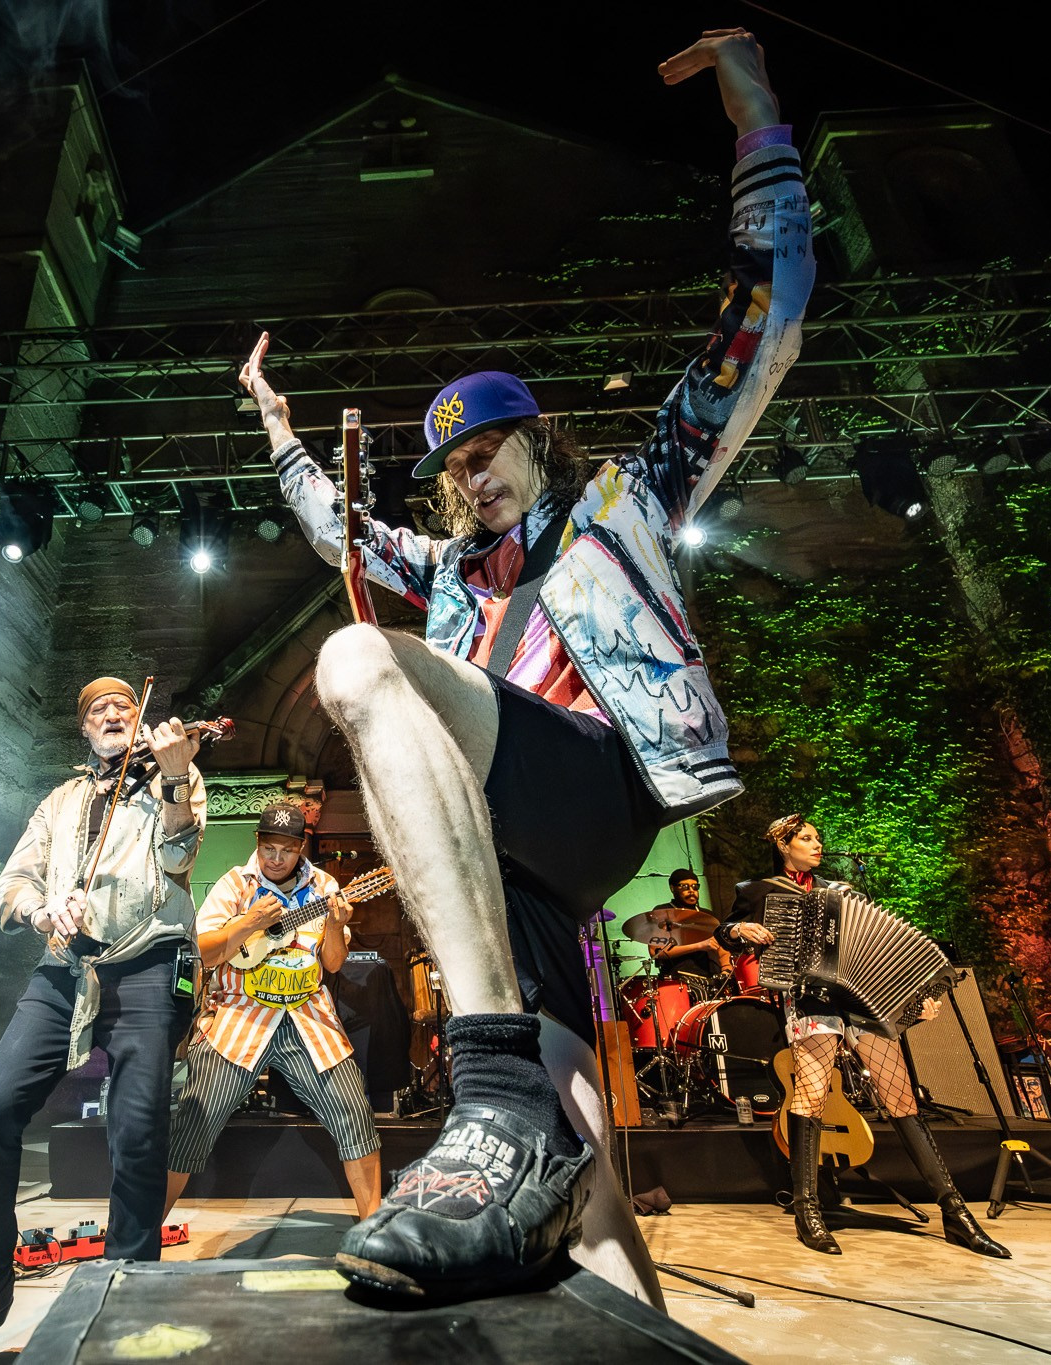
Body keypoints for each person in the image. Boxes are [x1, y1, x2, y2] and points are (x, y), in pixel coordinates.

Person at [239, 27, 809, 1301]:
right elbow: (336, 527)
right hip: (515, 868)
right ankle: (614, 1271)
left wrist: (757, 124)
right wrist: (276, 430)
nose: (471, 473)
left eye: (490, 447)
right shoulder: (446, 574)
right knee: (582, 1160)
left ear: (535, 441)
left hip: (593, 792)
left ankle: (483, 1086)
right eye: (451, 463)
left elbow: (758, 327)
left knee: (357, 661)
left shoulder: (623, 501)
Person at [0, 679, 207, 1365]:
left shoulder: (171, 778)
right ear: (82, 729)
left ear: (141, 720)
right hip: (68, 967)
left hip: (148, 963)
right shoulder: (59, 802)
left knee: (137, 1129)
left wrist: (179, 772)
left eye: (124, 706)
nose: (111, 713)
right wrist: (41, 911)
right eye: (97, 707)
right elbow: (10, 883)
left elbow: (180, 855)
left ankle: (128, 1285)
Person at [720, 815, 1009, 1259]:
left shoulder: (839, 891)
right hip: (810, 997)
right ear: (783, 845)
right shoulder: (760, 891)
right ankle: (807, 1209)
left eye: (819, 837)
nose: (817, 844)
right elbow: (724, 932)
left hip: (859, 1002)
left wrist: (914, 1005)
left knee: (901, 1097)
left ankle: (954, 1213)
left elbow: (883, 954)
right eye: (807, 838)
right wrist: (741, 930)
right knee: (812, 1093)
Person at [165, 802, 384, 1219]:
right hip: (239, 1019)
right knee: (194, 1124)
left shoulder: (324, 887)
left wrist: (335, 925)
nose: (276, 859)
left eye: (286, 850)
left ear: (301, 846)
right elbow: (204, 953)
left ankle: (373, 1228)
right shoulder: (236, 885)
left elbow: (334, 964)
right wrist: (248, 923)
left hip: (309, 1019)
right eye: (269, 848)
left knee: (355, 1116)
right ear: (257, 843)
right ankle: (142, 1234)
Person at [623, 868, 729, 987]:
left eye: (695, 887)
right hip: (676, 979)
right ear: (672, 888)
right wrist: (699, 945)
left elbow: (722, 947)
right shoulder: (663, 912)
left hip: (709, 977)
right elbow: (656, 951)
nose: (691, 891)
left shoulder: (708, 916)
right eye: (685, 887)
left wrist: (726, 970)